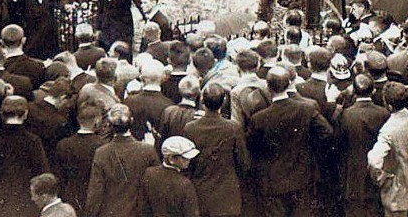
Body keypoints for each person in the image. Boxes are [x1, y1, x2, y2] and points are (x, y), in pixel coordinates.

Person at [246, 66, 333, 217]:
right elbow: (327, 132)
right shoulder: (306, 109)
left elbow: (252, 147)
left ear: (268, 87)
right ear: (289, 84)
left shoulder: (259, 118)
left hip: (272, 180)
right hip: (302, 177)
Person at [184, 81, 250, 217]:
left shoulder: (190, 128)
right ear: (224, 101)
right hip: (227, 196)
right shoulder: (233, 128)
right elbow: (244, 163)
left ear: (202, 101)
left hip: (200, 194)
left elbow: (187, 165)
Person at [85, 104, 159, 217]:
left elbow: (95, 191)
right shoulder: (147, 150)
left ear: (109, 125)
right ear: (132, 121)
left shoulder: (101, 152)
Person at [0, 96, 50, 217]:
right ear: (25, 114)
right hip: (25, 202)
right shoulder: (33, 141)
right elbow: (42, 172)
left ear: (2, 114)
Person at [367, 80, 408, 217]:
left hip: (396, 194)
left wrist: (382, 179)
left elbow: (374, 161)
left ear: (389, 106)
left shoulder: (387, 130)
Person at [336, 73, 389, 217]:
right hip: (378, 174)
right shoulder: (384, 113)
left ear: (353, 91)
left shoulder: (346, 115)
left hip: (353, 176)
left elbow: (339, 143)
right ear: (373, 91)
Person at [55, 102, 105, 215]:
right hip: (94, 199)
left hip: (70, 197)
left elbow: (59, 175)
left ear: (78, 120)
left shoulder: (63, 144)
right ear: (97, 121)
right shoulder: (102, 146)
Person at [141, 136, 201, 217]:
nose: (189, 160)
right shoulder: (185, 184)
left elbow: (143, 206)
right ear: (171, 159)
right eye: (184, 157)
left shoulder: (149, 173)